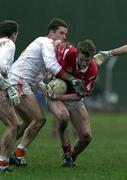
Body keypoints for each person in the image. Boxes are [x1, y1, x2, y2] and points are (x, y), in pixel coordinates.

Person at [9, 18, 84, 167]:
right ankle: (18, 154)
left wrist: (46, 90)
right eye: (61, 33)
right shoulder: (45, 42)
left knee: (25, 123)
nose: (64, 37)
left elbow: (36, 79)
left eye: (65, 34)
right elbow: (51, 65)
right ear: (51, 33)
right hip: (18, 81)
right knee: (39, 120)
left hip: (18, 81)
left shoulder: (45, 48)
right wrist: (72, 79)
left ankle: (5, 154)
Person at [47, 39, 98, 167]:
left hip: (70, 97)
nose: (83, 63)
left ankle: (70, 158)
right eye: (81, 59)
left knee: (86, 136)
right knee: (64, 117)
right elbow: (58, 44)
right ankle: (66, 153)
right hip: (54, 92)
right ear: (77, 54)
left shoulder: (92, 70)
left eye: (87, 60)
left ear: (92, 57)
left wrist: (59, 96)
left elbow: (79, 95)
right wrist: (49, 69)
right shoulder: (68, 53)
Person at [0, 20, 20, 172]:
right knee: (14, 125)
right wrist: (9, 88)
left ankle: (3, 163)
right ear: (13, 34)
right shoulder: (9, 44)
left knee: (13, 124)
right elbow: (1, 66)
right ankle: (2, 164)